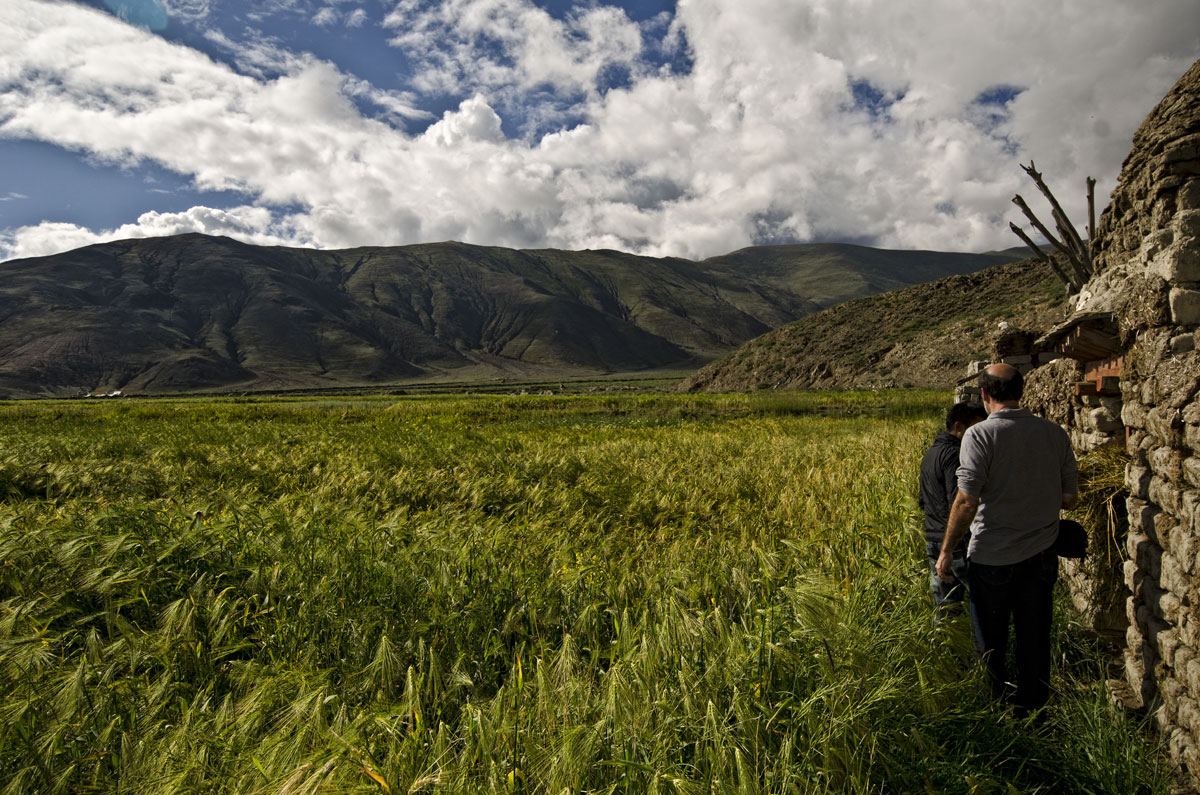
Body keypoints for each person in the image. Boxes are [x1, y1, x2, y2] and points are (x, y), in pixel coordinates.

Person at [936, 363, 1078, 717]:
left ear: (984, 395)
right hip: (1041, 556)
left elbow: (967, 500)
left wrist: (945, 551)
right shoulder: (1055, 434)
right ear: (1021, 391)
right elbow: (1069, 499)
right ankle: (1034, 712)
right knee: (1035, 639)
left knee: (989, 643)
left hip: (992, 559)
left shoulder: (979, 436)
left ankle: (993, 715)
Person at [918, 401, 987, 622]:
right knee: (983, 607)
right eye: (975, 428)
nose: (979, 434)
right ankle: (981, 653)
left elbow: (922, 501)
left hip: (934, 540)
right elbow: (959, 501)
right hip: (955, 543)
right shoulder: (956, 454)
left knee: (946, 611)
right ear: (958, 426)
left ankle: (948, 653)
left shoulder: (931, 453)